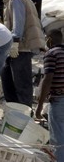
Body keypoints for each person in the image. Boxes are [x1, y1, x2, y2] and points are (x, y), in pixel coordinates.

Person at [0, 0, 45, 108]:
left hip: (21, 48)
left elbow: (18, 23)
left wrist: (15, 42)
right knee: (8, 81)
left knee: (22, 84)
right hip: (17, 48)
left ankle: (24, 114)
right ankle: (14, 111)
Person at [35, 29, 64, 161]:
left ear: (50, 39)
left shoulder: (51, 54)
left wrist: (39, 107)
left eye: (46, 38)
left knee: (58, 139)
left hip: (59, 100)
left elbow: (48, 79)